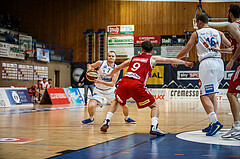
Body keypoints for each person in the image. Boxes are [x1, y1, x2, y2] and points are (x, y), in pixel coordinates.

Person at [100, 41, 193, 136]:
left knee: (116, 101)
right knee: (154, 106)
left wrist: (109, 74)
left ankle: (106, 121)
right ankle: (154, 127)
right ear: (152, 51)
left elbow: (118, 67)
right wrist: (185, 62)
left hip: (124, 82)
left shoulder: (133, 58)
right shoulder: (152, 58)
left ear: (141, 49)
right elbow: (171, 61)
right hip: (136, 84)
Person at [175, 13, 231, 136]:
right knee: (212, 95)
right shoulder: (219, 33)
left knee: (203, 95)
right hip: (219, 63)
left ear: (199, 21)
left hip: (207, 64)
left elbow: (186, 50)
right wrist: (221, 51)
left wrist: (177, 59)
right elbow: (232, 48)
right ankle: (212, 123)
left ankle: (215, 122)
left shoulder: (197, 33)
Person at [81, 51, 136, 124]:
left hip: (110, 90)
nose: (111, 57)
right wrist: (89, 70)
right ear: (107, 57)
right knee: (91, 106)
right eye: (109, 56)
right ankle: (91, 119)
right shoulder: (100, 63)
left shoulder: (117, 69)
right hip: (98, 90)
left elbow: (112, 84)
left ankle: (127, 118)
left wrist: (99, 81)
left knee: (124, 105)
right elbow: (89, 65)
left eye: (113, 56)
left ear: (115, 58)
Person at [216, 4, 240, 139]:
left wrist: (231, 60)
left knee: (231, 93)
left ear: (230, 14)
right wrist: (220, 50)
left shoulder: (232, 25)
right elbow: (234, 47)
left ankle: (237, 127)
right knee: (233, 94)